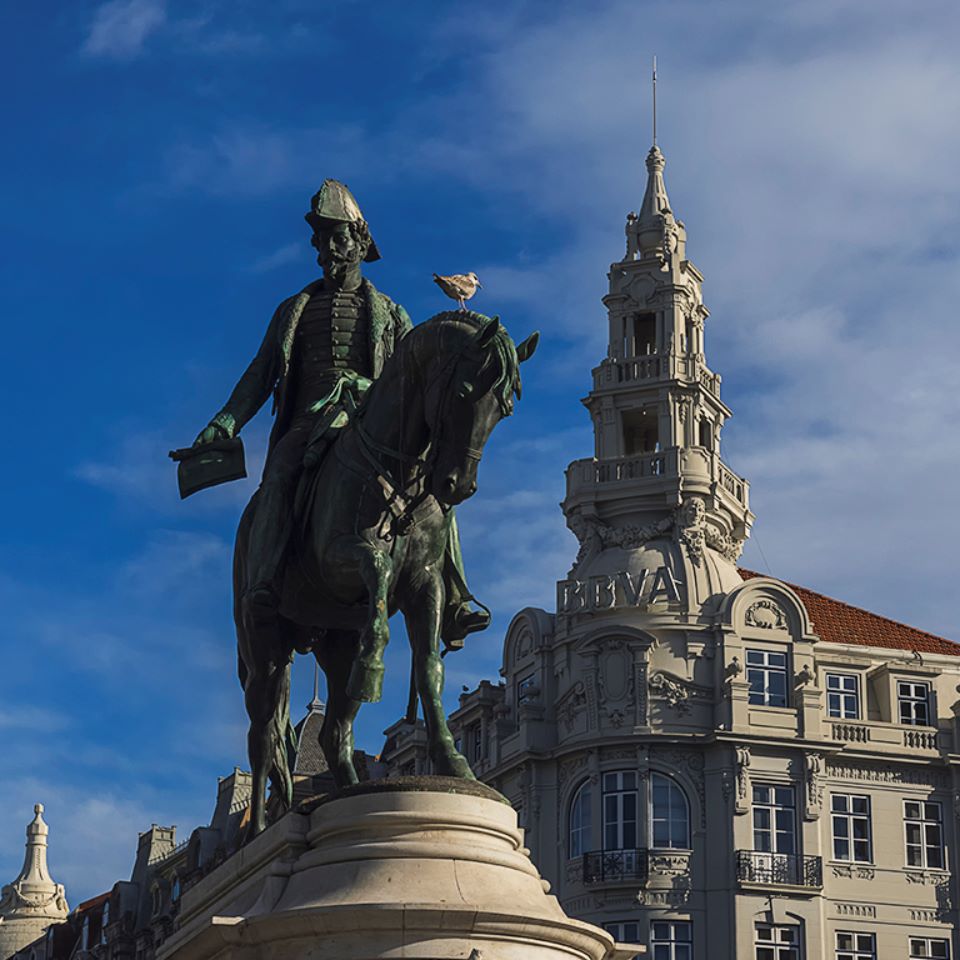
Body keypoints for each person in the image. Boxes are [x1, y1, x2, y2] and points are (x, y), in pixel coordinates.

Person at [193, 179, 489, 646]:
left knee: (437, 494)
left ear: (360, 241)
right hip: (309, 427)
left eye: (336, 238)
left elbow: (412, 385)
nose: (325, 250)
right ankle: (264, 583)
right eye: (320, 240)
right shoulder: (294, 309)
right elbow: (261, 373)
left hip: (374, 426)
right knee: (279, 479)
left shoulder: (391, 315)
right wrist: (225, 421)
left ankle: (453, 599)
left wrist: (365, 386)